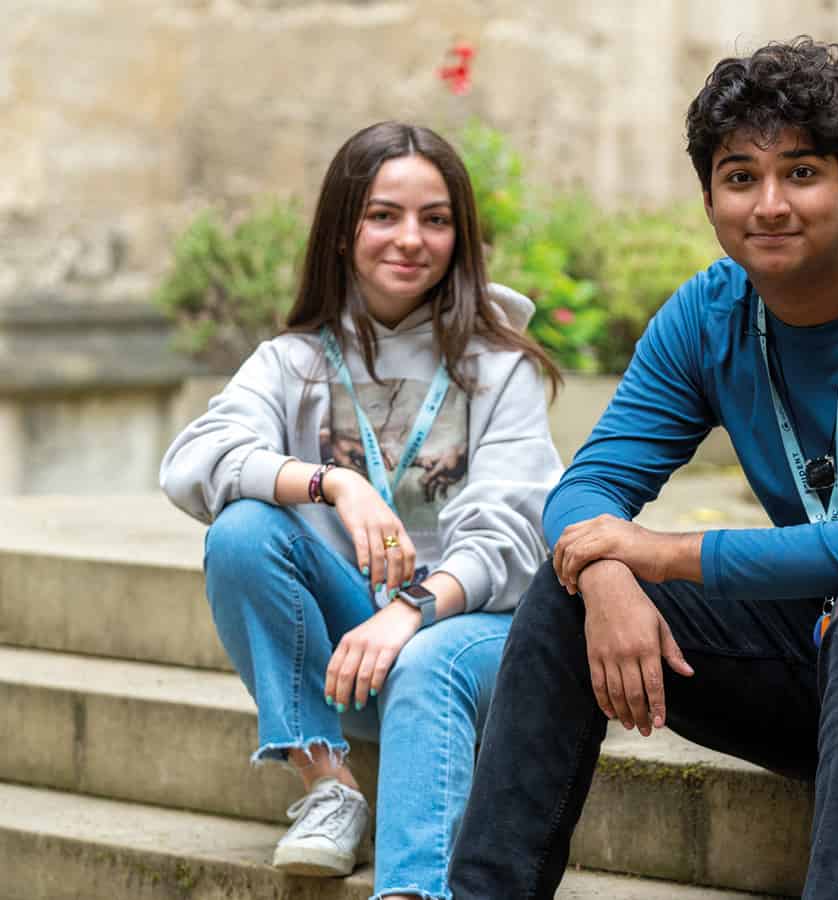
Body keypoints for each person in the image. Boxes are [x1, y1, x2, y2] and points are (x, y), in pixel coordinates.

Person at [448, 37, 838, 900]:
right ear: (711, 198)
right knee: (566, 595)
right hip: (831, 664)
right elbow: (585, 491)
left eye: (803, 173)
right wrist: (605, 575)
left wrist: (665, 553)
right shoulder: (709, 315)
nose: (770, 205)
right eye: (740, 176)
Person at [161, 121, 563, 898]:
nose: (410, 239)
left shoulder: (498, 364)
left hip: (470, 640)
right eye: (384, 215)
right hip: (351, 647)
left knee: (425, 657)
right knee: (243, 530)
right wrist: (332, 484)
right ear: (344, 231)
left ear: (460, 234)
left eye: (435, 219)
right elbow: (189, 462)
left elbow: (515, 533)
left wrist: (412, 608)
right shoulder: (294, 361)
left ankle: (413, 889)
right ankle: (328, 784)